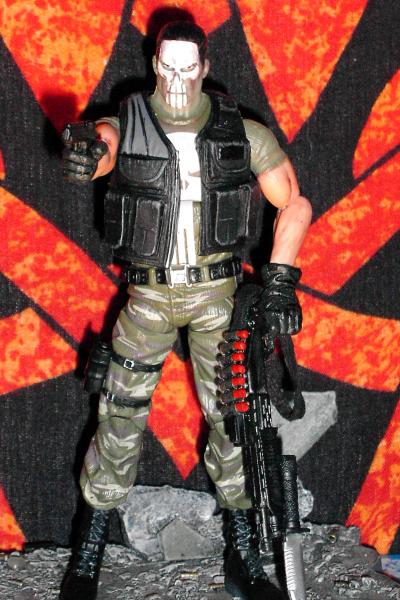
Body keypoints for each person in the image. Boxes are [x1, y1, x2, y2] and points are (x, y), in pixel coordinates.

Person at [59, 21, 312, 600]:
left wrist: (279, 281)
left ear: (204, 66)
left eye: (188, 67)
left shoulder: (240, 132)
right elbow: (101, 147)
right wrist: (86, 151)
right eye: (167, 66)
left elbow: (294, 202)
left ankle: (242, 552)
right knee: (119, 414)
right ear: (155, 63)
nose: (176, 79)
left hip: (216, 296)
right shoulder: (128, 122)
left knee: (234, 418)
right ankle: (88, 552)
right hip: (148, 296)